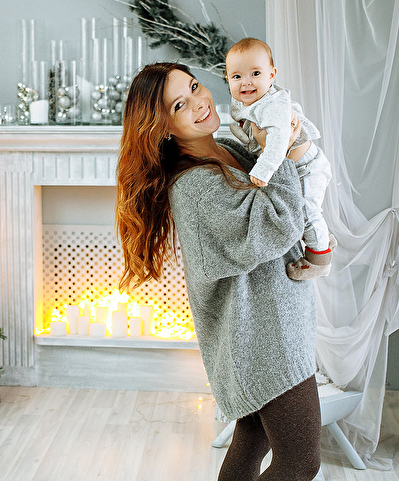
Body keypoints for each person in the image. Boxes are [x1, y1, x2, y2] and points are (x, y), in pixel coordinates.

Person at [115, 62, 321, 480]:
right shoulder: (194, 187)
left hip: (271, 329)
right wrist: (278, 148)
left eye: (194, 87)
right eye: (179, 104)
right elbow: (278, 224)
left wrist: (275, 145)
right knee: (300, 463)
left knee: (250, 440)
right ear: (162, 127)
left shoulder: (227, 147)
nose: (199, 102)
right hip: (264, 340)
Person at [225, 37, 334, 280]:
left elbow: (277, 143)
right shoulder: (246, 99)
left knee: (306, 211)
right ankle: (321, 239)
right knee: (305, 213)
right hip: (296, 167)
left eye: (255, 73)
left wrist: (262, 170)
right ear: (228, 78)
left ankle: (319, 260)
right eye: (237, 76)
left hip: (307, 167)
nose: (246, 82)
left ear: (272, 75)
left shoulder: (273, 105)